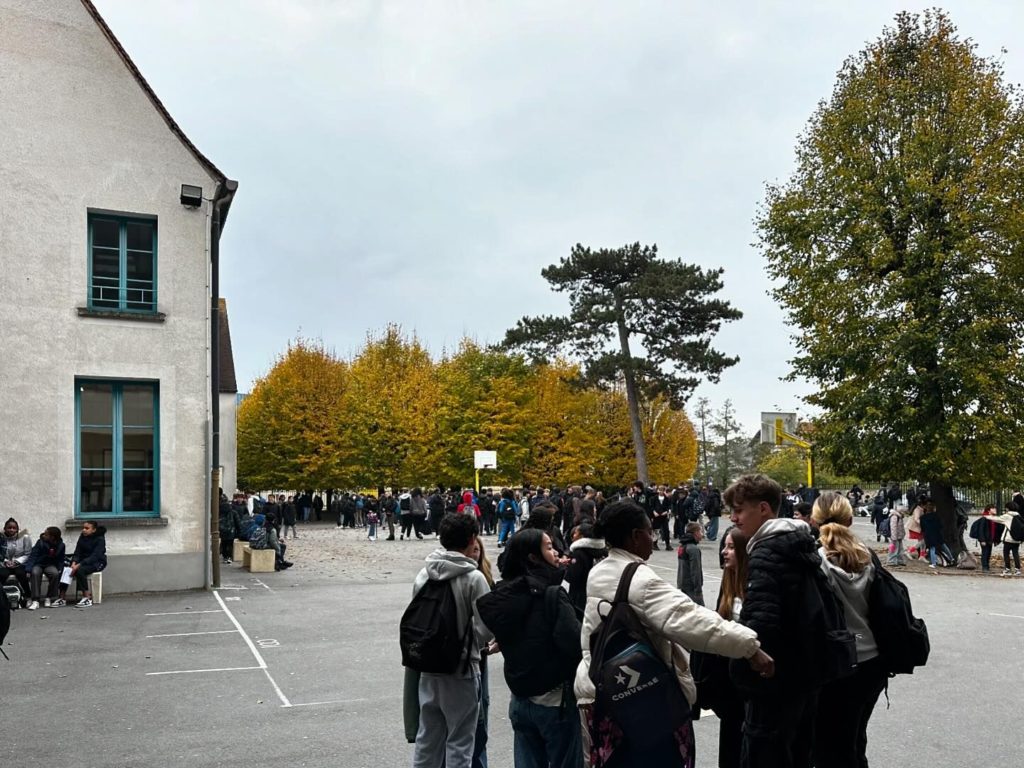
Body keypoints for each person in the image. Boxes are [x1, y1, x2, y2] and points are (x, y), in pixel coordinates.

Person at [575, 499, 774, 768]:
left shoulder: (599, 571)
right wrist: (750, 647)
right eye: (649, 531)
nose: (652, 538)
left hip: (603, 689)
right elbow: (692, 621)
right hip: (640, 700)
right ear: (635, 537)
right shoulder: (640, 580)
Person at [724, 473, 822, 768]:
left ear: (764, 508)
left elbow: (760, 622)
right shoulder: (800, 543)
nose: (734, 518)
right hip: (804, 673)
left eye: (739, 510)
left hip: (774, 679)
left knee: (764, 755)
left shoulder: (766, 550)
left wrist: (743, 669)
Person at [478, 528, 583, 768]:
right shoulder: (552, 595)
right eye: (548, 547)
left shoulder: (506, 594)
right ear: (533, 558)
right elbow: (574, 643)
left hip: (520, 697)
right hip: (554, 700)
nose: (556, 552)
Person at [810, 492, 888, 768]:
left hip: (836, 661)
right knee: (855, 738)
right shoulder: (867, 557)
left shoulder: (814, 561)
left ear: (813, 520)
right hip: (872, 659)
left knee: (828, 745)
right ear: (851, 519)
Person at [410, 514, 493, 768]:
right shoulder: (473, 577)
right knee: (460, 743)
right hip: (461, 669)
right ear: (471, 539)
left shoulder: (425, 574)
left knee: (428, 739)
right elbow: (485, 629)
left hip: (428, 666)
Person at [55, 521, 107, 608]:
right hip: (82, 561)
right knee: (66, 569)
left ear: (94, 530)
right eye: (83, 528)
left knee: (80, 570)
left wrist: (79, 565)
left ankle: (86, 597)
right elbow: (77, 552)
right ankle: (62, 597)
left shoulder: (100, 539)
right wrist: (74, 562)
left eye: (87, 528)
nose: (84, 530)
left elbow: (95, 556)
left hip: (97, 562)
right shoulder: (82, 537)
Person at [563, 521, 607, 617]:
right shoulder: (603, 551)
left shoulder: (579, 553)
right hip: (600, 593)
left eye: (575, 533)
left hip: (580, 597)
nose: (573, 536)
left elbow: (573, 577)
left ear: (582, 536)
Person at [23, 526, 66, 610]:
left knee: (55, 573)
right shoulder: (40, 542)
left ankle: (49, 597)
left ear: (52, 537)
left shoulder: (61, 545)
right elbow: (33, 556)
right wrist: (28, 569)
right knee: (35, 573)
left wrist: (60, 568)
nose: (43, 535)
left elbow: (61, 558)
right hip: (38, 564)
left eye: (46, 534)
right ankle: (35, 600)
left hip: (50, 565)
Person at [985, 502, 1023, 576]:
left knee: (1006, 554)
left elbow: (997, 519)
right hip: (1017, 539)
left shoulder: (1007, 516)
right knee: (1016, 554)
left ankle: (1007, 569)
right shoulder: (1018, 516)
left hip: (1008, 539)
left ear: (1008, 508)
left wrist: (986, 516)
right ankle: (1017, 570)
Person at [0, 518, 32, 606]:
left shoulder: (25, 537)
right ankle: (2, 598)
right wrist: (5, 561)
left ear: (17, 529)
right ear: (5, 528)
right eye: (9, 528)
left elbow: (28, 553)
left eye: (14, 528)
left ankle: (28, 596)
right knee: (2, 574)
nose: (11, 530)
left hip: (20, 563)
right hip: (4, 563)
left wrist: (16, 562)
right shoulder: (1, 538)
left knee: (21, 574)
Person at [676, 522, 705, 606]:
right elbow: (696, 570)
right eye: (700, 531)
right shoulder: (693, 549)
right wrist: (698, 590)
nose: (702, 534)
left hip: (683, 584)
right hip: (691, 587)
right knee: (701, 612)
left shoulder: (683, 546)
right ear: (696, 533)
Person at [969, 505, 1004, 573]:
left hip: (990, 539)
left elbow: (996, 530)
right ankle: (985, 568)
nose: (995, 509)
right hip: (985, 539)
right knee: (985, 553)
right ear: (989, 510)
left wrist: (996, 540)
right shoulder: (984, 518)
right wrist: (982, 540)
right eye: (993, 508)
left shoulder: (993, 518)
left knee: (988, 553)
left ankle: (987, 567)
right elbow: (981, 530)